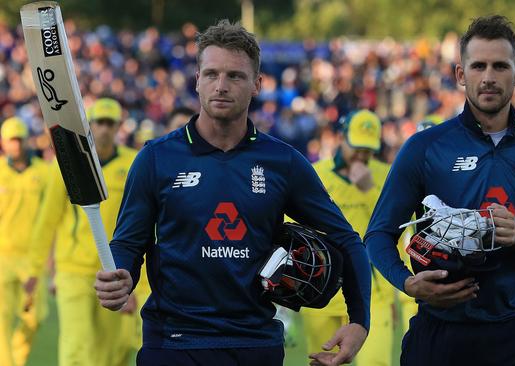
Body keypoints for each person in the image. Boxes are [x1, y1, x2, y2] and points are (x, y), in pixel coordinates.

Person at [93, 20, 370, 366]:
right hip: (173, 343)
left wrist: (359, 320)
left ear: (257, 84)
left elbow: (346, 238)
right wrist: (121, 275)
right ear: (196, 80)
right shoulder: (155, 158)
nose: (220, 86)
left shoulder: (283, 162)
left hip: (254, 345)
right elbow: (128, 243)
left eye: (235, 76)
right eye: (211, 74)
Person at [365, 15, 515, 366]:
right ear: (461, 75)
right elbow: (378, 234)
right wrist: (407, 283)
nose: (488, 77)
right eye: (478, 66)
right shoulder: (424, 147)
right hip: (441, 331)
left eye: (499, 66)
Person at [28, 98, 149, 366]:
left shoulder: (134, 164)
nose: (104, 129)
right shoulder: (68, 164)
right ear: (89, 125)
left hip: (115, 270)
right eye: (99, 123)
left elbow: (146, 225)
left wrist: (139, 285)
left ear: (119, 127)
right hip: (74, 268)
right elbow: (47, 219)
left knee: (112, 349)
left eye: (110, 123)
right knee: (77, 346)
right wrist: (35, 269)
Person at [301, 109, 396, 366]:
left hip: (372, 287)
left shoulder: (386, 175)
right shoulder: (314, 173)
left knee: (376, 361)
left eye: (368, 149)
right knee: (321, 361)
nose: (362, 156)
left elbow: (394, 226)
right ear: (342, 138)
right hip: (321, 286)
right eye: (357, 147)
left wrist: (367, 190)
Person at [0, 117, 50, 366]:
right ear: (4, 142)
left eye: (20, 139)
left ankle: (17, 357)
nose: (16, 145)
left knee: (35, 318)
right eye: (12, 140)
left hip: (33, 259)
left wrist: (50, 257)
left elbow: (52, 217)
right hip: (3, 256)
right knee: (1, 320)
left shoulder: (44, 172)